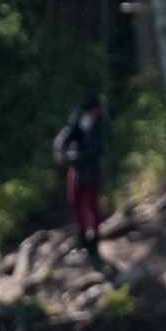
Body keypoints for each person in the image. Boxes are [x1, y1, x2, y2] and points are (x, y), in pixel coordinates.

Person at [54, 95, 110, 254]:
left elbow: (97, 149)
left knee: (93, 205)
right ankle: (82, 237)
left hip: (91, 170)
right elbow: (68, 132)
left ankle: (95, 241)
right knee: (75, 203)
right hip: (77, 170)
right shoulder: (79, 119)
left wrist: (72, 156)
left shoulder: (102, 125)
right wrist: (60, 143)